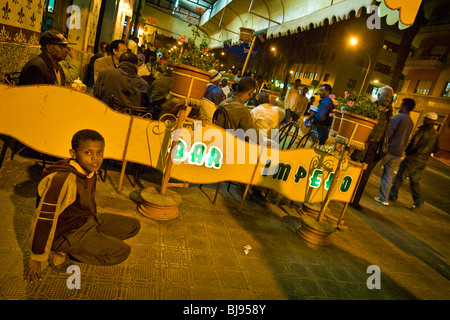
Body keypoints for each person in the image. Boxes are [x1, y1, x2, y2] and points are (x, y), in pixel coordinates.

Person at [23, 129, 141, 283]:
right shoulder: (63, 180)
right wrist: (36, 258)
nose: (95, 159)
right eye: (88, 152)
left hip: (87, 220)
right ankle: (59, 249)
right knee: (121, 252)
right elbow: (43, 218)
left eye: (100, 152)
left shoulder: (90, 171)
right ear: (73, 153)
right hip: (66, 232)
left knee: (134, 225)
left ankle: (91, 240)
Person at [349, 86, 394, 210]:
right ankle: (344, 195)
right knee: (353, 170)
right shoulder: (370, 109)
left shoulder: (389, 112)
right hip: (364, 144)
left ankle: (354, 199)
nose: (388, 98)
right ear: (378, 96)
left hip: (376, 148)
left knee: (365, 175)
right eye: (385, 95)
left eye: (390, 97)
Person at [389, 112, 440, 210]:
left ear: (429, 120)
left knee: (400, 177)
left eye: (425, 118)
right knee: (415, 181)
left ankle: (392, 195)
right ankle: (418, 201)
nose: (424, 120)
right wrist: (427, 152)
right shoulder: (436, 133)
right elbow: (437, 148)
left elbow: (413, 143)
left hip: (413, 158)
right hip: (423, 161)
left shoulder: (422, 131)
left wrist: (408, 152)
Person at [373, 98, 416, 206]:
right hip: (398, 152)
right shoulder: (411, 122)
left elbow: (389, 133)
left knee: (370, 169)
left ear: (405, 106)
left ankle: (355, 189)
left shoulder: (398, 117)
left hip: (388, 149)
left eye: (401, 104)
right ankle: (384, 199)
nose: (399, 106)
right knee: (388, 176)